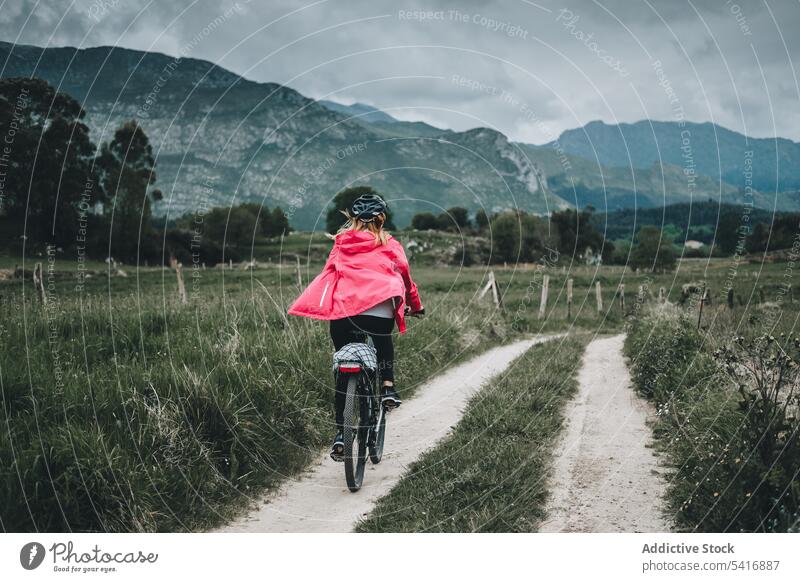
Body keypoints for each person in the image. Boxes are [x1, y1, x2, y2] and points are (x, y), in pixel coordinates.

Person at [288, 193, 424, 460]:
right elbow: (405, 275)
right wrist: (415, 305)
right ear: (381, 219)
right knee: (383, 343)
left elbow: (329, 273)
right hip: (378, 309)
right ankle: (387, 386)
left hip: (343, 312)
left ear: (352, 219)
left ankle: (341, 433)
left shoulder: (341, 243)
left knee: (342, 368)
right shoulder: (389, 243)